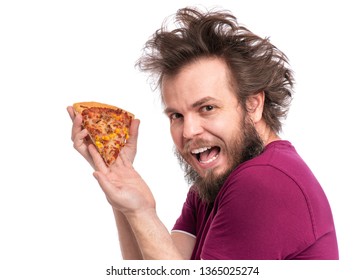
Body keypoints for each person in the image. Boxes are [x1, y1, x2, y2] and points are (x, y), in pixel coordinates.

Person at [67, 6, 339, 260]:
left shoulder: (265, 182)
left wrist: (143, 213)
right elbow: (155, 266)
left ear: (253, 105)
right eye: (176, 115)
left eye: (207, 107)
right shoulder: (209, 186)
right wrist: (124, 195)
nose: (188, 131)